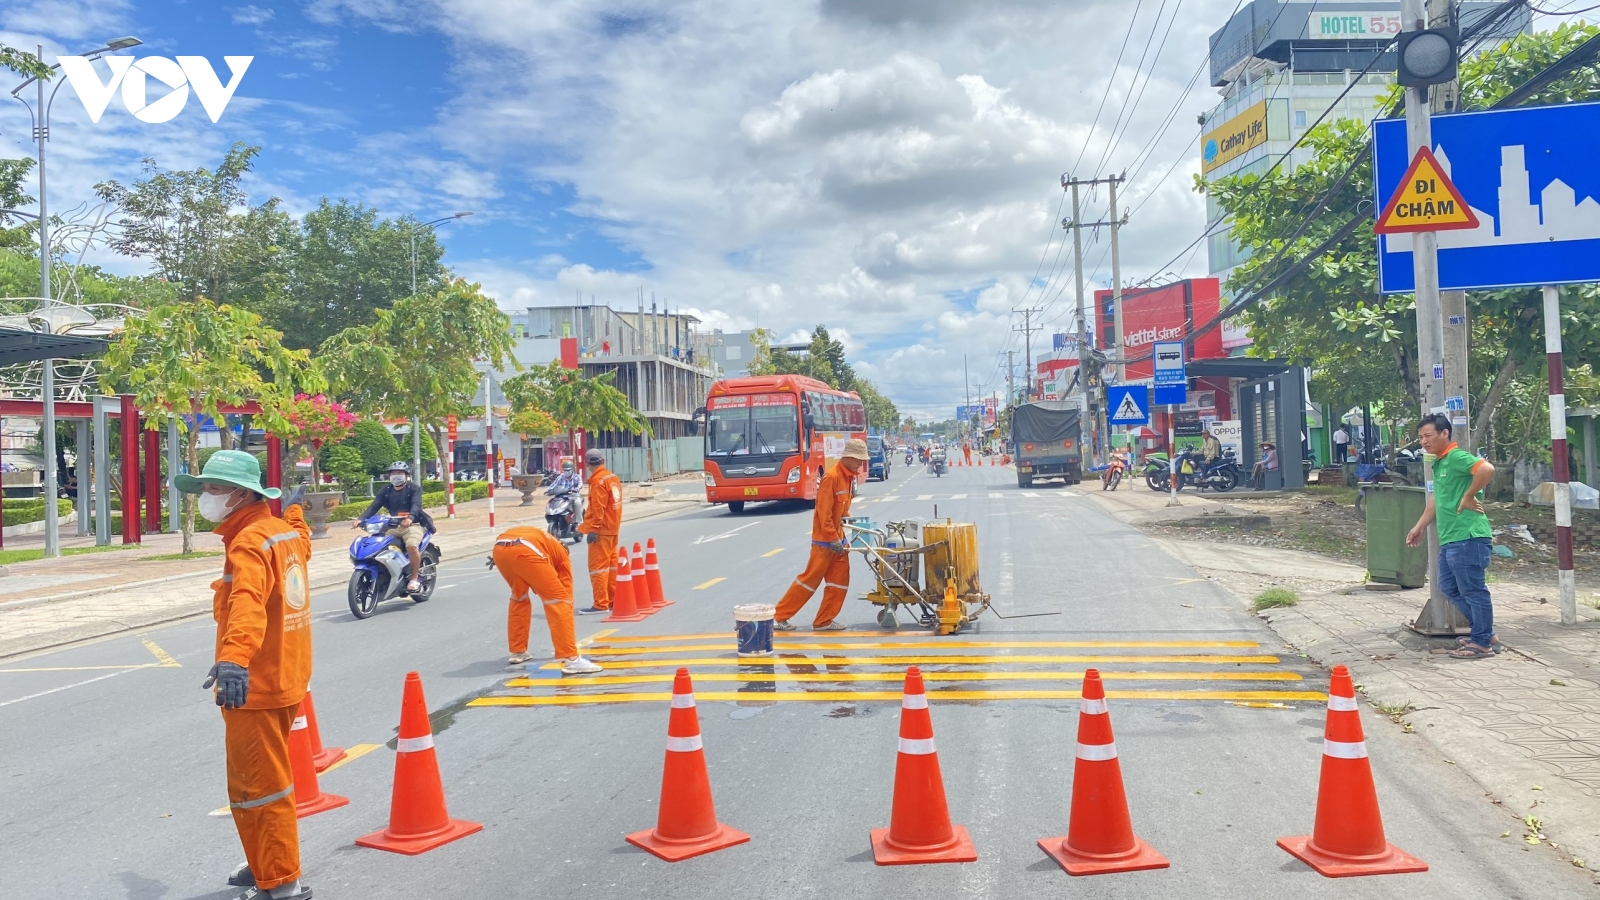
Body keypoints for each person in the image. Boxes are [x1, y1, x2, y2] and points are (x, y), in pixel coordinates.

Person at [175, 450, 313, 900]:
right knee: (265, 781)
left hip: (256, 681)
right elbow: (304, 541)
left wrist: (234, 660)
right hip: (287, 673)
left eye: (214, 488)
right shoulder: (280, 532)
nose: (207, 497)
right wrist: (293, 508)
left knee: (258, 788)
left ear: (240, 494)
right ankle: (265, 864)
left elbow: (248, 603)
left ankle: (281, 884)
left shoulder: (251, 541)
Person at [1407, 414, 1499, 659]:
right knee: (1447, 586)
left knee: (1473, 590)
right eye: (1420, 437)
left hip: (1468, 536)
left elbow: (1486, 469)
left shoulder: (1456, 457)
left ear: (1444, 433)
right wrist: (1419, 527)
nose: (1423, 441)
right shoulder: (1440, 463)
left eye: (1428, 435)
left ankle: (1482, 642)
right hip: (1451, 539)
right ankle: (1485, 633)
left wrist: (1469, 496)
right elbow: (1435, 500)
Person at [774, 438, 870, 632]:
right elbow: (823, 513)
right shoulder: (831, 478)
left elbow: (839, 509)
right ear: (849, 458)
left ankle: (824, 620)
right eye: (859, 460)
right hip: (825, 542)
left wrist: (847, 519)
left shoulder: (849, 477)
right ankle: (779, 617)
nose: (861, 464)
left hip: (839, 540)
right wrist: (833, 538)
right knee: (809, 581)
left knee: (839, 583)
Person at [490, 524, 603, 674]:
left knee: (519, 597)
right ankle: (572, 659)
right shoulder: (562, 554)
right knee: (559, 601)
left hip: (499, 550)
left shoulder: (545, 541)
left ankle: (518, 651)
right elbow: (566, 593)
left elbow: (512, 549)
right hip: (525, 551)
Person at [352, 461, 433, 594]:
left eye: (399, 473)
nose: (396, 476)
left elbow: (416, 506)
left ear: (406, 475)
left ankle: (413, 579)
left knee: (411, 546)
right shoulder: (386, 491)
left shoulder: (414, 489)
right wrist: (361, 519)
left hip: (414, 525)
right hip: (393, 526)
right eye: (393, 473)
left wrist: (410, 518)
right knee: (379, 546)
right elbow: (374, 506)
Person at [576, 449, 623, 614]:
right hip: (613, 528)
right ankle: (613, 600)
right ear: (603, 460)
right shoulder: (612, 478)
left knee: (598, 568)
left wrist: (594, 529)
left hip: (602, 530)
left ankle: (600, 604)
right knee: (611, 567)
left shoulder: (598, 481)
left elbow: (599, 507)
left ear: (587, 464)